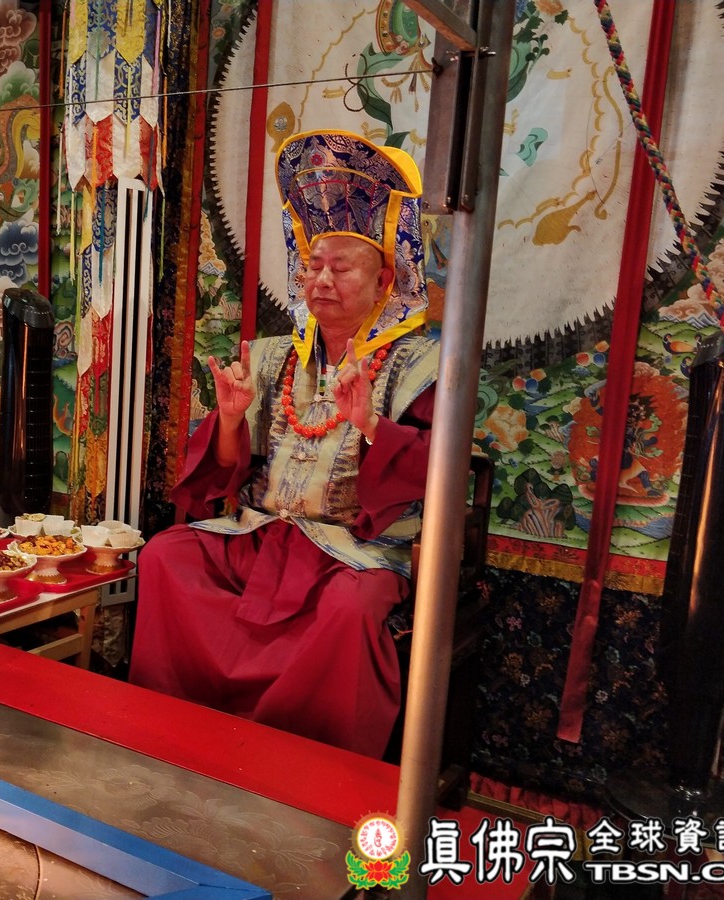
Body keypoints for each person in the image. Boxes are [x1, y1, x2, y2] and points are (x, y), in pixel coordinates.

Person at [129, 131, 439, 758]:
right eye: (312, 265)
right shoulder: (271, 355)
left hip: (354, 550)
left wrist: (371, 424)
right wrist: (230, 419)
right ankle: (178, 735)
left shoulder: (421, 365)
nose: (320, 280)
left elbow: (436, 473)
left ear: (383, 279)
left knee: (352, 610)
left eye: (340, 268)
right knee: (166, 557)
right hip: (263, 534)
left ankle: (306, 762)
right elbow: (224, 472)